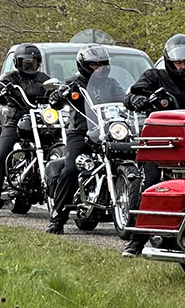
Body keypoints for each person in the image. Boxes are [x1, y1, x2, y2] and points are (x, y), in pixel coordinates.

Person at [122, 33, 185, 256]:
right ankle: (137, 240)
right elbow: (132, 95)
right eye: (179, 63)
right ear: (169, 61)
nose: (184, 67)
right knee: (151, 182)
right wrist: (138, 99)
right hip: (162, 144)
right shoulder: (154, 76)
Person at [46, 44, 118, 233]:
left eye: (102, 64)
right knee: (70, 169)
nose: (99, 69)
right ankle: (57, 218)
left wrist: (135, 100)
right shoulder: (74, 83)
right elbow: (56, 100)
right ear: (84, 65)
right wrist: (57, 96)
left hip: (108, 131)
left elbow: (124, 100)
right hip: (81, 131)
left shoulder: (111, 83)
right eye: (94, 65)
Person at [0, 43, 50, 217]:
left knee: (57, 148)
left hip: (40, 121)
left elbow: (53, 90)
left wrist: (57, 92)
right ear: (17, 63)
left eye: (33, 62)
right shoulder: (10, 78)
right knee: (1, 156)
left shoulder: (43, 78)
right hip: (15, 120)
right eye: (25, 62)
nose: (29, 65)